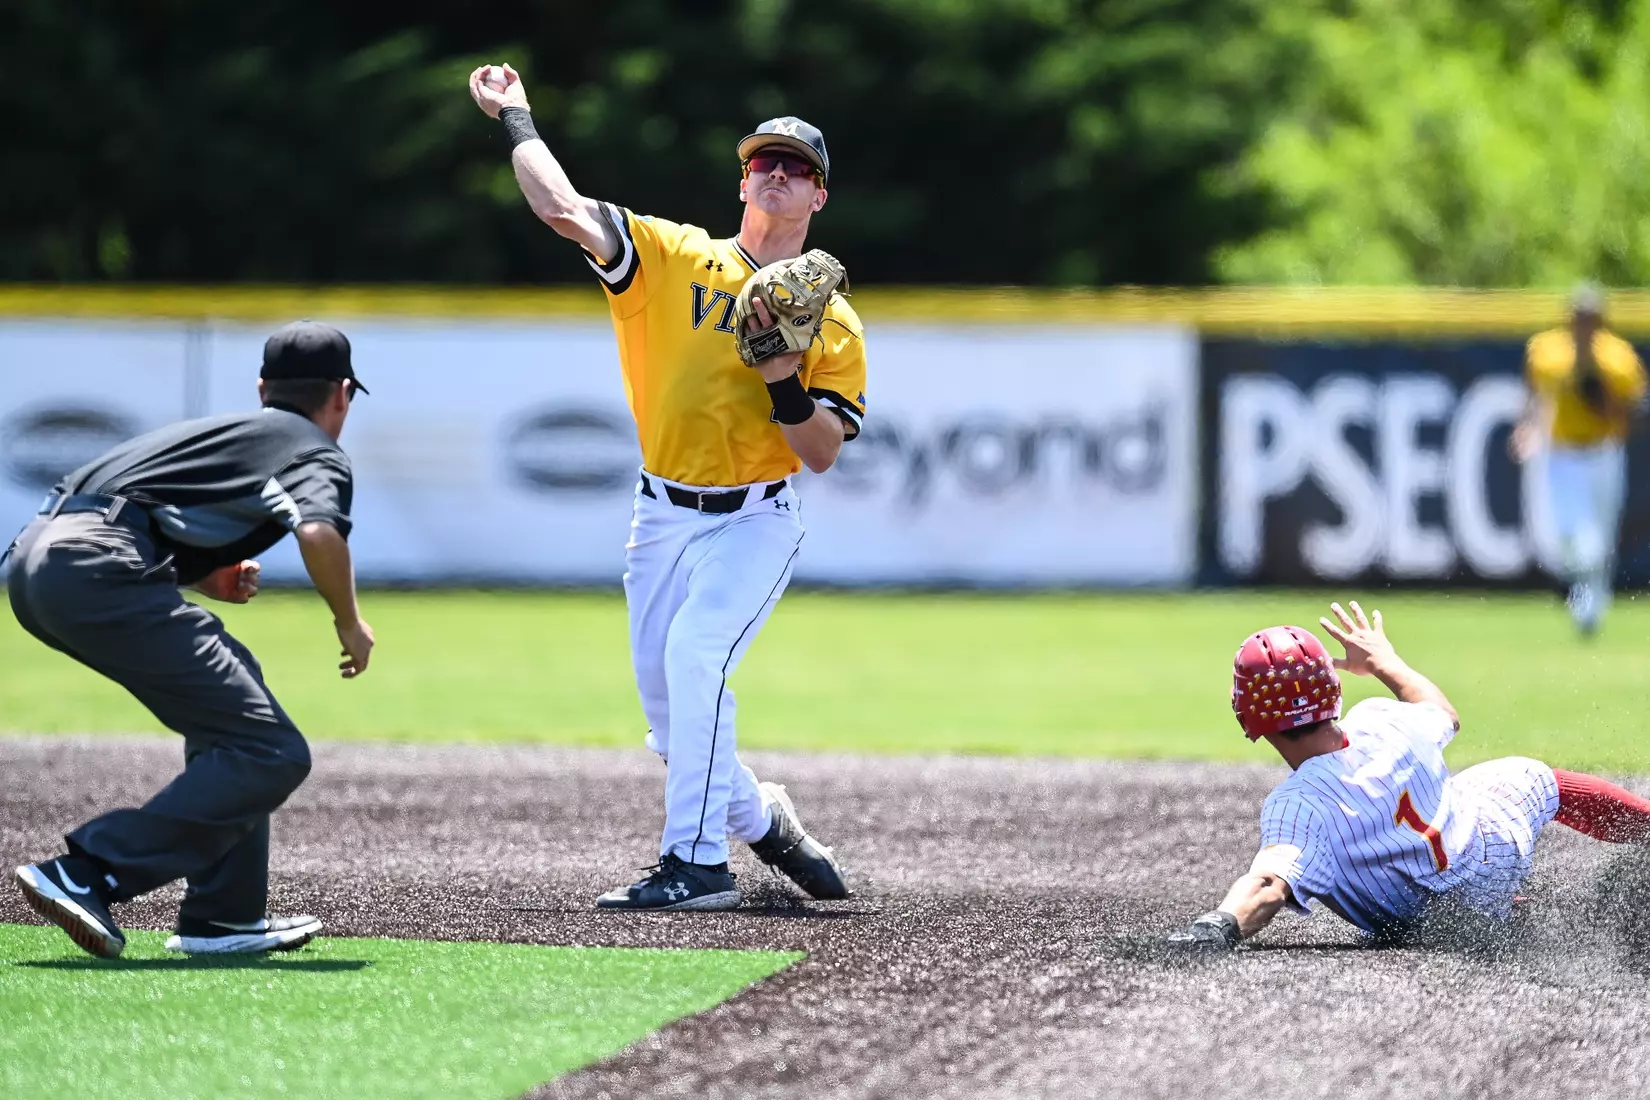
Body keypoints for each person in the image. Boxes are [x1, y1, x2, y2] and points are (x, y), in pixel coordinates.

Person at [468, 66, 862, 911]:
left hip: (756, 518)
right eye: (765, 162)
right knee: (670, 719)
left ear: (818, 197)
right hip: (659, 513)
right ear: (743, 180)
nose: (778, 174)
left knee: (696, 658)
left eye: (796, 167)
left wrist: (786, 379)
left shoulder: (830, 318)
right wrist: (515, 117)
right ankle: (762, 822)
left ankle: (697, 867)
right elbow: (560, 209)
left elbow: (820, 451)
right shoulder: (670, 256)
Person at [8, 320, 376, 958]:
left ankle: (224, 917)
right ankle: (90, 870)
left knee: (238, 704)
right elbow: (318, 532)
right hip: (97, 567)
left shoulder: (222, 433)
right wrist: (349, 621)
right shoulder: (312, 448)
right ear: (342, 393)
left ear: (263, 387)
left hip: (33, 559)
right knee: (270, 751)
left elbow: (137, 505)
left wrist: (204, 573)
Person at [1167, 600, 1650, 950]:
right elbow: (1445, 714)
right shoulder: (1384, 718)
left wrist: (1220, 924)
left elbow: (1269, 886)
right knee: (1538, 778)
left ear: (1250, 714)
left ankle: (1513, 919)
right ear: (1331, 687)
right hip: (1492, 852)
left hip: (1436, 921)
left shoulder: (1298, 804)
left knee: (1396, 880)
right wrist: (1385, 663)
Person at [1512, 284, 1647, 635]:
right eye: (1579, 318)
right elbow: (1532, 391)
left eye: (1591, 319)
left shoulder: (1618, 359)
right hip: (1563, 454)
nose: (1585, 325)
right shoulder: (1547, 352)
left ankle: (1593, 606)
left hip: (1603, 452)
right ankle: (1582, 598)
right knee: (1572, 538)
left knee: (1601, 541)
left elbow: (1635, 409)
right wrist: (1526, 427)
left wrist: (1607, 404)